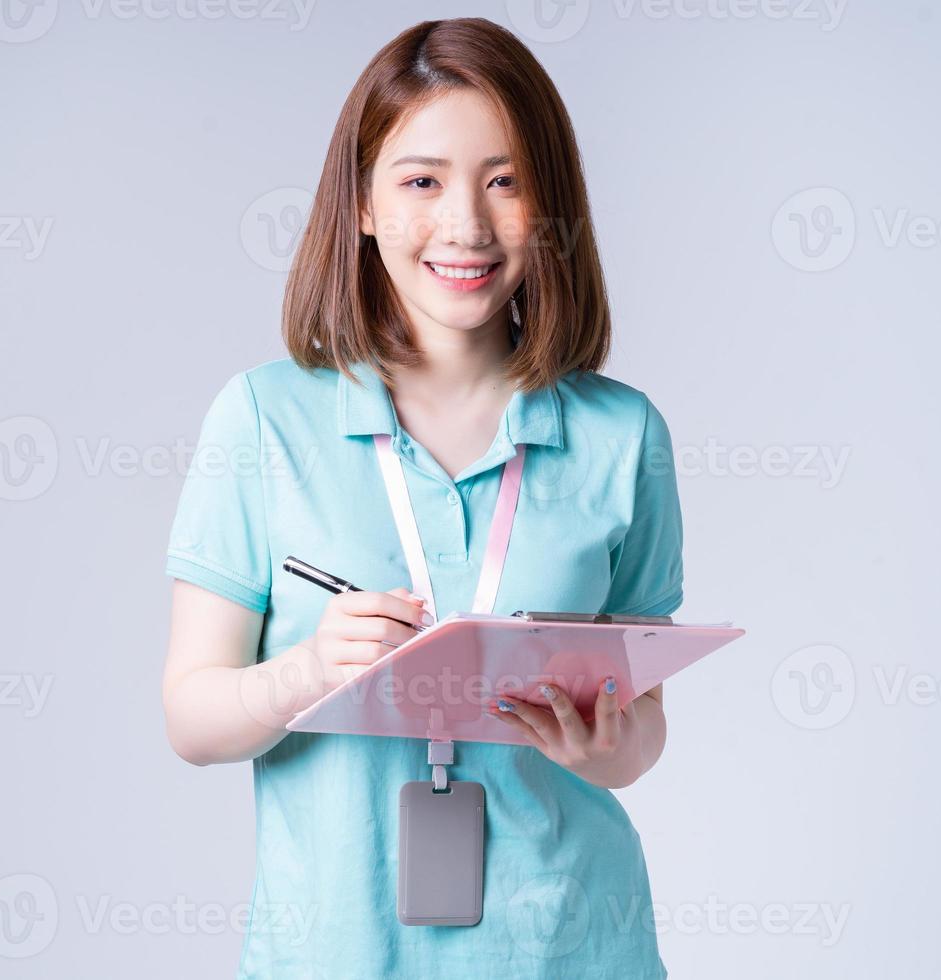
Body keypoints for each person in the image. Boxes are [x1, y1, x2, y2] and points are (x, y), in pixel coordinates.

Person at [162, 17, 682, 979]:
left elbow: (642, 726)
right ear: (361, 205)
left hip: (570, 946)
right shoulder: (263, 420)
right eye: (421, 181)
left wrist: (606, 746)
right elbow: (192, 720)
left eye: (506, 180)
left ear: (550, 205)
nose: (467, 226)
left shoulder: (624, 434)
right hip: (336, 952)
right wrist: (309, 670)